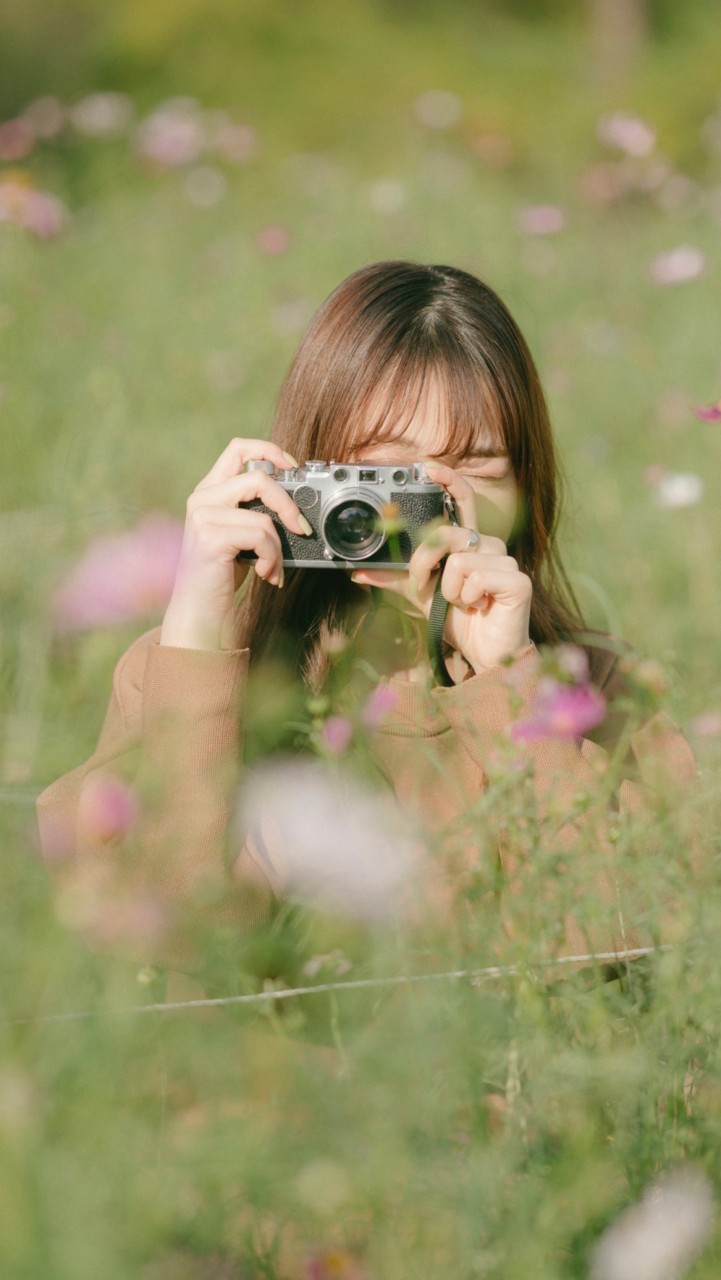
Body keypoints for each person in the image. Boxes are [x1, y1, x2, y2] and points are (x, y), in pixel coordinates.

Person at [37, 261, 697, 972]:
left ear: (529, 484)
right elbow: (157, 944)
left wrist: (511, 688)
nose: (430, 507)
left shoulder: (593, 688)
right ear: (308, 472)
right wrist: (197, 629)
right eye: (389, 473)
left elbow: (627, 955)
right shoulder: (192, 671)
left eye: (475, 467)